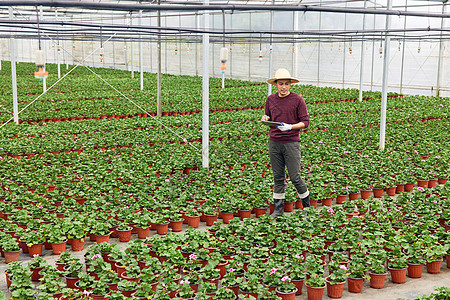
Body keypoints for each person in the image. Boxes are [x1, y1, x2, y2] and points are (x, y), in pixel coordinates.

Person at [261, 68, 310, 218]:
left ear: (290, 85)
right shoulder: (271, 99)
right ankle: (278, 209)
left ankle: (307, 207)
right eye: (281, 83)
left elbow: (305, 122)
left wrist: (290, 127)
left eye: (286, 84)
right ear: (275, 84)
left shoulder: (297, 100)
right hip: (274, 142)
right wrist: (265, 118)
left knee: (295, 176)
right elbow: (268, 115)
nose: (283, 87)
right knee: (278, 176)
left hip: (291, 142)